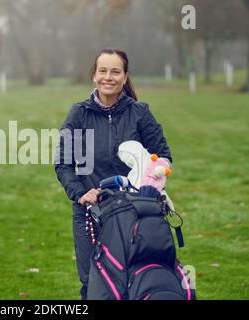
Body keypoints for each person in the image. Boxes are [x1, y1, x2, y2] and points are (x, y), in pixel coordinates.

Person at [54, 48, 173, 300]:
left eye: (115, 71)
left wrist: (147, 189)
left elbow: (162, 157)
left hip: (133, 212)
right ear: (94, 76)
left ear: (125, 77)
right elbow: (63, 163)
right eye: (103, 71)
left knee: (131, 280)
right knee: (92, 285)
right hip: (90, 214)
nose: (108, 77)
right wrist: (81, 193)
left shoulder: (139, 113)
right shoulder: (79, 114)